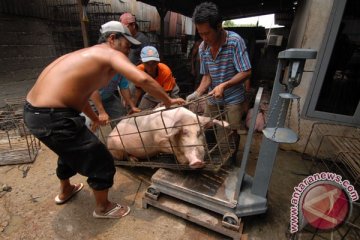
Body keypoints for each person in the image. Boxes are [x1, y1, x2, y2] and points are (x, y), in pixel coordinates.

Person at [23, 20, 185, 219]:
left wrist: (94, 118)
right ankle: (103, 207)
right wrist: (168, 101)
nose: (127, 53)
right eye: (126, 46)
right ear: (112, 39)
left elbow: (82, 94)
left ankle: (66, 190)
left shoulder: (85, 56)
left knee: (67, 150)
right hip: (54, 117)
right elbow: (142, 80)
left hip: (35, 113)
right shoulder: (109, 54)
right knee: (101, 158)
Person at [186, 2, 252, 164]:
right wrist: (197, 93)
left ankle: (230, 161)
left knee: (229, 132)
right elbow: (207, 76)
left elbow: (246, 71)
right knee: (205, 127)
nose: (204, 38)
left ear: (219, 26)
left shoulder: (235, 42)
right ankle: (206, 157)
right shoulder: (203, 47)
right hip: (213, 98)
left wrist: (224, 85)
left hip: (233, 98)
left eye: (207, 33)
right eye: (200, 34)